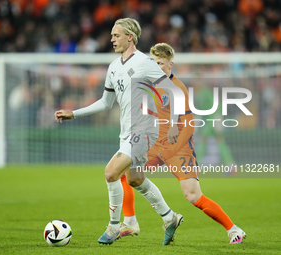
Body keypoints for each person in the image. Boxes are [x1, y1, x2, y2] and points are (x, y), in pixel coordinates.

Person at [55, 18, 184, 245]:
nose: (112, 39)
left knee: (110, 173)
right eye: (112, 35)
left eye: (116, 35)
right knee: (134, 179)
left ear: (130, 37)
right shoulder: (114, 67)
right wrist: (74, 113)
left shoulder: (144, 62)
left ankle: (114, 226)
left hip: (144, 129)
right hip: (127, 131)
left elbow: (174, 92)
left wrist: (173, 123)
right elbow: (106, 102)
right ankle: (169, 217)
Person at [120, 42, 246, 244]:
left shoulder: (177, 88)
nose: (156, 67)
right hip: (155, 145)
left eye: (161, 63)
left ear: (171, 64)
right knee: (125, 174)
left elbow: (188, 126)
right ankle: (132, 222)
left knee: (193, 196)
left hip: (179, 149)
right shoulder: (149, 84)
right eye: (153, 62)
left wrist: (173, 148)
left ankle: (233, 229)